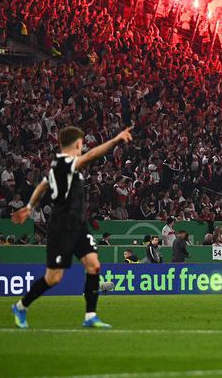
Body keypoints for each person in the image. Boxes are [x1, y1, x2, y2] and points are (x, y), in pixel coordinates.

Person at [11, 125, 133, 330]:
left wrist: (30, 206)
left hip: (78, 225)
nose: (83, 147)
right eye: (82, 144)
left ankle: (90, 316)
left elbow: (42, 185)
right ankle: (21, 306)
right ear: (78, 143)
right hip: (61, 227)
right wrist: (115, 140)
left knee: (93, 265)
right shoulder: (66, 163)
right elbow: (90, 156)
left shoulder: (57, 166)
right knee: (54, 278)